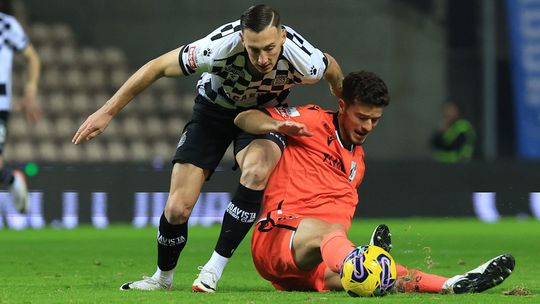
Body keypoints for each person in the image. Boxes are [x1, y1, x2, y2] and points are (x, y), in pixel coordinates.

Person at [71, 4, 343, 291]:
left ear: (283, 36)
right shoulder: (216, 48)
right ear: (241, 40)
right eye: (254, 50)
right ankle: (162, 279)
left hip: (264, 116)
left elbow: (332, 68)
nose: (263, 58)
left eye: (270, 48)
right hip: (213, 112)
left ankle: (212, 270)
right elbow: (157, 67)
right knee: (177, 209)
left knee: (256, 171)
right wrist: (107, 112)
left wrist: (341, 96)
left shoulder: (305, 60)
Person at [234, 71, 514, 293]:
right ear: (342, 107)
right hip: (277, 237)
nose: (367, 126)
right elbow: (245, 117)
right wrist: (276, 126)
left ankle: (451, 284)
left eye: (375, 120)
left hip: (313, 265)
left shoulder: (358, 163)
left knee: (388, 276)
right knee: (337, 239)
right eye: (362, 117)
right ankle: (359, 259)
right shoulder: (313, 121)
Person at [0, 0, 41, 213]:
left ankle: (11, 179)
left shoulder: (5, 25)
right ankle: (10, 178)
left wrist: (30, 92)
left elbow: (32, 58)